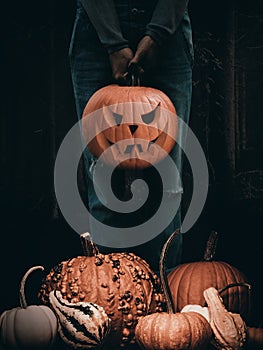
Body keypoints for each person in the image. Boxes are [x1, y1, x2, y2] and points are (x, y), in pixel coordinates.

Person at [69, 0, 194, 273]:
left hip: (167, 24)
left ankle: (163, 300)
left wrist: (158, 33)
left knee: (167, 178)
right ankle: (112, 296)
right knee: (102, 173)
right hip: (96, 25)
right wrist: (113, 42)